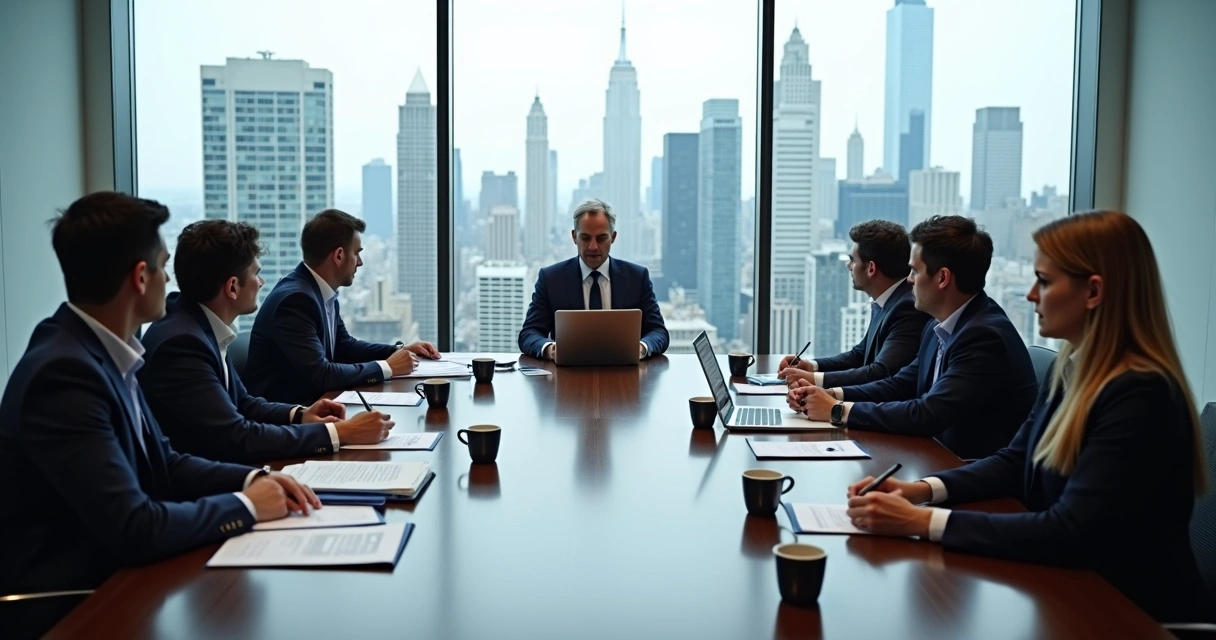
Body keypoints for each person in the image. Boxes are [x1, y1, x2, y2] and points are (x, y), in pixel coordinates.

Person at [841, 211, 1212, 623]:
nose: (1031, 294)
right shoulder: (1074, 368)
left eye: (1045, 281)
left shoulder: (1141, 393)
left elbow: (1069, 531)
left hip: (1124, 614)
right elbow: (1015, 460)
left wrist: (923, 521)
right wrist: (921, 491)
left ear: (1093, 291)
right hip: (1069, 592)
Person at [0, 192, 319, 638]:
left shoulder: (103, 350)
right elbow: (135, 526)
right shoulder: (64, 375)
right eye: (164, 266)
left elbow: (165, 461)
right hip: (74, 604)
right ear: (140, 277)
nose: (171, 280)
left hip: (119, 577)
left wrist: (251, 481)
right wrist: (247, 507)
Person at [140, 220, 395, 464]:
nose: (261, 282)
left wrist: (301, 415)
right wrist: (342, 433)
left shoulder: (200, 323)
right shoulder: (183, 343)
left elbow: (244, 403)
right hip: (202, 487)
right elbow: (237, 437)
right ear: (232, 287)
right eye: (256, 273)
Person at [787, 215, 1037, 460]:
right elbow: (899, 384)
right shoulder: (938, 327)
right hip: (933, 456)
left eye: (915, 271)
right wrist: (829, 394)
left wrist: (837, 410)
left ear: (942, 278)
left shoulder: (983, 337)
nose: (908, 280)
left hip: (970, 474)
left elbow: (928, 413)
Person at [245, 209, 439, 405]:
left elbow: (344, 347)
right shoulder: (295, 300)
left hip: (317, 406)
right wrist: (387, 368)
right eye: (357, 253)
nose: (360, 262)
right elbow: (321, 374)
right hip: (287, 420)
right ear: (338, 255)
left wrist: (398, 350)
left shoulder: (318, 291)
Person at [777, 220, 930, 387]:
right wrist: (811, 366)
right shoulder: (889, 299)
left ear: (871, 268)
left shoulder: (906, 307)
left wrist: (814, 380)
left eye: (852, 259)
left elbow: (882, 372)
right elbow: (860, 355)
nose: (848, 265)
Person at [518, 199, 669, 360]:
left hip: (625, 376)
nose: (593, 247)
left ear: (613, 237)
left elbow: (658, 332)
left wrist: (640, 348)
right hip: (567, 377)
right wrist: (551, 349)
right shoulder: (551, 279)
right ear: (574, 237)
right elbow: (529, 333)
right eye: (585, 238)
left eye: (601, 238)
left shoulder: (637, 278)